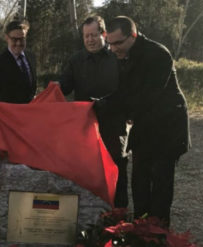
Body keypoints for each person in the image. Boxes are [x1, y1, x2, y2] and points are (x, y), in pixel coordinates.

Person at [97, 16, 191, 226]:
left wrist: (109, 106)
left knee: (160, 185)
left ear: (133, 35)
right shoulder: (124, 55)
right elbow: (123, 92)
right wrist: (100, 104)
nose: (112, 49)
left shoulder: (158, 54)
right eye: (109, 43)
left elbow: (145, 96)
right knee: (139, 182)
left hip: (167, 128)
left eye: (117, 43)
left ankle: (158, 233)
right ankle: (140, 228)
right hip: (144, 126)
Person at [58, 16, 128, 208]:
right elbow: (64, 86)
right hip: (85, 126)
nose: (90, 40)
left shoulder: (118, 57)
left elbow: (126, 90)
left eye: (94, 35)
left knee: (116, 166)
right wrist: (51, 91)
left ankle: (119, 213)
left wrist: (105, 104)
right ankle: (87, 211)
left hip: (114, 124)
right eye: (86, 36)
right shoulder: (76, 60)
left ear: (104, 34)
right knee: (86, 168)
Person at [0, 19, 37, 104]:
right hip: (10, 114)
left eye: (22, 39)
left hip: (30, 113)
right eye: (14, 39)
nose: (18, 43)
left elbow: (32, 88)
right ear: (7, 38)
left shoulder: (31, 57)